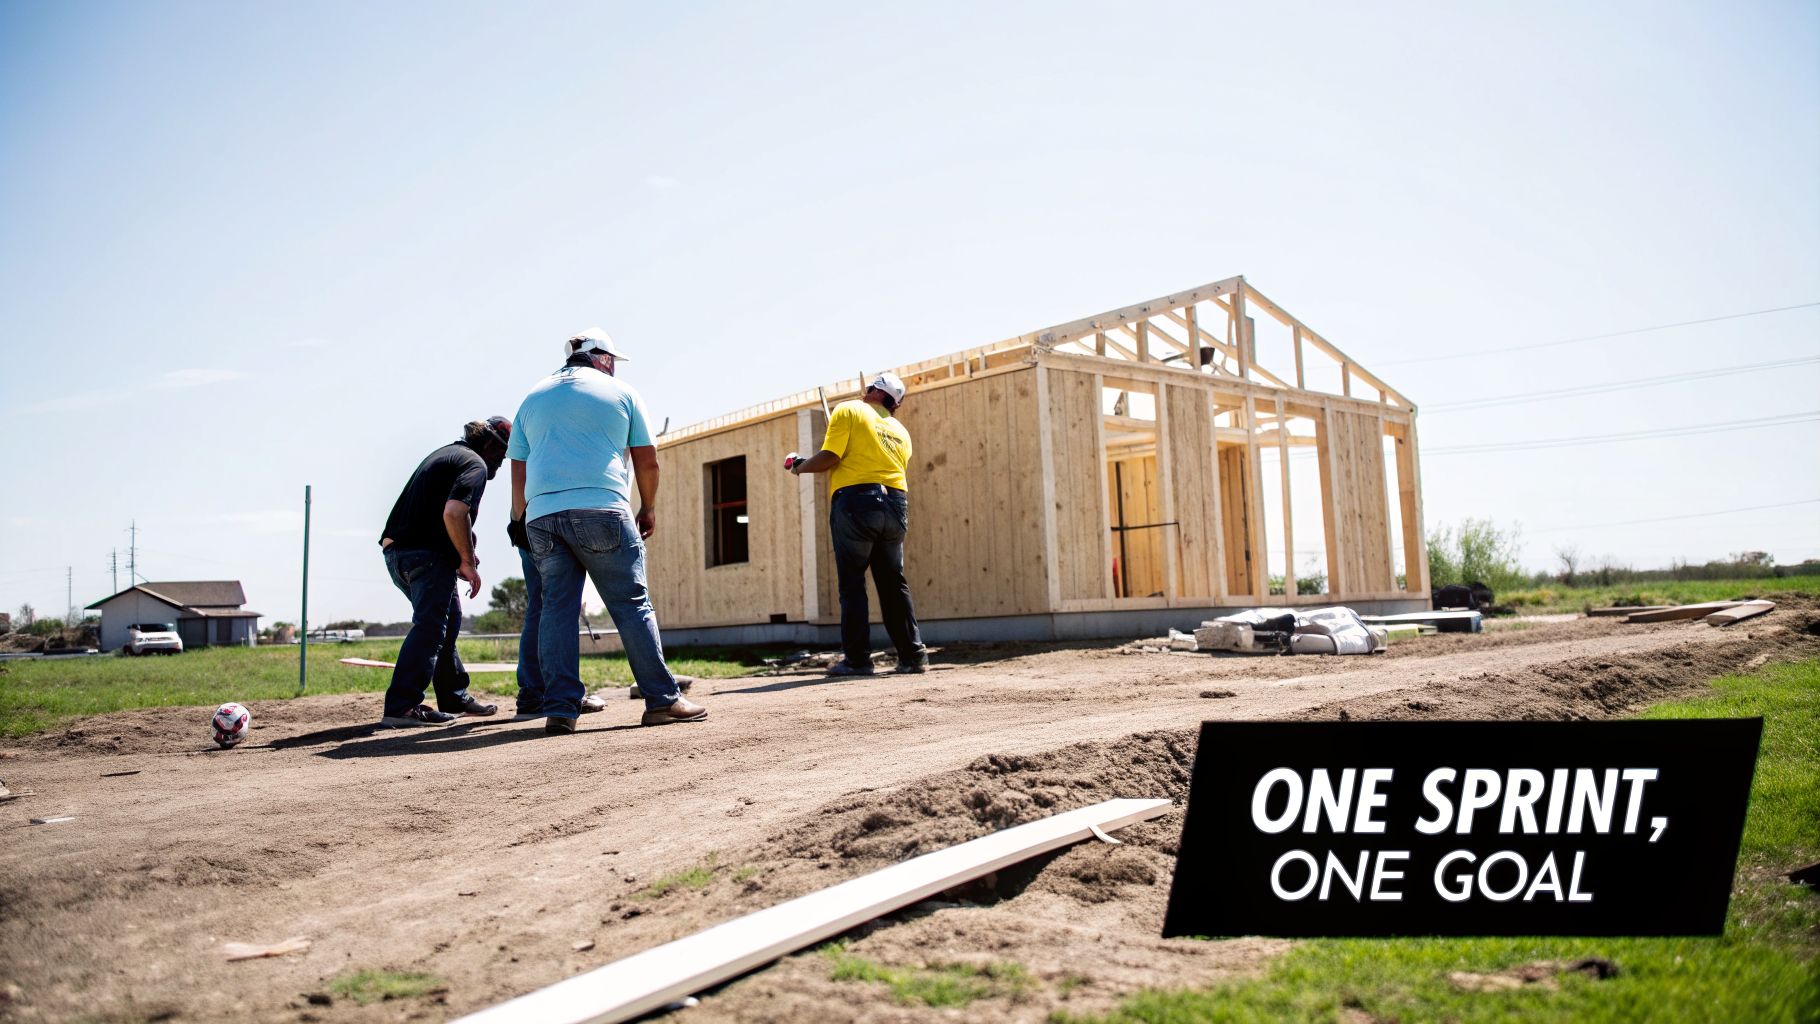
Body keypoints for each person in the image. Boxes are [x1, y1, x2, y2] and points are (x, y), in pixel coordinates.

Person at [507, 328, 708, 736]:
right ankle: (662, 700)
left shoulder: (532, 397)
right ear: (601, 357)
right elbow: (647, 462)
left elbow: (519, 466)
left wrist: (518, 517)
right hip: (601, 509)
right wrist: (647, 507)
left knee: (555, 610)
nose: (614, 367)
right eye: (613, 360)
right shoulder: (622, 394)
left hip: (542, 516)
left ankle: (561, 708)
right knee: (631, 604)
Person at [787, 371, 927, 676]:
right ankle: (913, 656)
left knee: (852, 584)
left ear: (875, 390)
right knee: (893, 582)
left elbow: (829, 458)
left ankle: (858, 660)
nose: (864, 391)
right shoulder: (901, 431)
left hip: (857, 503)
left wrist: (800, 467)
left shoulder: (849, 410)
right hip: (896, 505)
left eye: (869, 388)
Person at [377, 418, 512, 727]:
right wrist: (466, 559)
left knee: (448, 621)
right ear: (490, 444)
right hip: (424, 556)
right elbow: (454, 512)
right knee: (431, 627)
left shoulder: (449, 454)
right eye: (502, 455)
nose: (501, 464)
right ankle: (402, 705)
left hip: (398, 553)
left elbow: (438, 511)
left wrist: (464, 548)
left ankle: (453, 696)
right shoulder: (475, 464)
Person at [505, 513, 607, 719]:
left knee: (539, 606)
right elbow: (519, 480)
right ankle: (553, 695)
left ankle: (532, 693)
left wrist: (517, 522)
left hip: (527, 523)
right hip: (544, 521)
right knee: (554, 606)